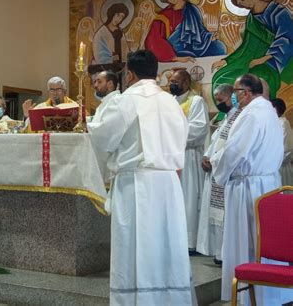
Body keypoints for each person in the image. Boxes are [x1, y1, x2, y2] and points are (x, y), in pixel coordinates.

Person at [88, 50, 195, 306]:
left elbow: (104, 138)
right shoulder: (172, 102)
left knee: (135, 246)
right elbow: (183, 136)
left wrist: (90, 124)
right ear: (157, 73)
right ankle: (169, 298)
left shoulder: (126, 100)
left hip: (136, 183)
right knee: (166, 242)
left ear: (130, 74)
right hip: (168, 183)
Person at [210, 74, 284, 304]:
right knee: (266, 242)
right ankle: (271, 294)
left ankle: (250, 296)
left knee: (248, 241)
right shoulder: (269, 111)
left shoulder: (251, 114)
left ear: (247, 92)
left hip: (248, 186)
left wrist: (217, 165)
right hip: (268, 183)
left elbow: (234, 151)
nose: (234, 95)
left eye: (236, 90)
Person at [212, 0, 293, 99]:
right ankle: (231, 111)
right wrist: (227, 60)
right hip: (256, 57)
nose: (244, 5)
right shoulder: (251, 19)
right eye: (240, 4)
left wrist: (263, 59)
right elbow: (246, 46)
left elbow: (287, 38)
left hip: (279, 58)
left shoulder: (278, 12)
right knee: (222, 77)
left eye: (243, 0)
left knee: (255, 78)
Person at [196, 84, 241, 265]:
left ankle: (224, 254)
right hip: (215, 172)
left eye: (221, 100)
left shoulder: (239, 118)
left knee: (225, 218)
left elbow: (231, 147)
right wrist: (206, 156)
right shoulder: (226, 118)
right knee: (216, 216)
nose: (219, 103)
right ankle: (219, 252)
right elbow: (216, 142)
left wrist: (212, 161)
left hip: (226, 175)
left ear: (232, 96)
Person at [170, 69, 209, 253]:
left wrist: (170, 131)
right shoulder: (169, 102)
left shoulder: (196, 101)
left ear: (186, 82)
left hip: (188, 156)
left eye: (176, 80)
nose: (172, 83)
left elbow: (199, 128)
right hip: (170, 157)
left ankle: (188, 241)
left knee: (189, 198)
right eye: (171, 80)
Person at [145, 0, 226, 63]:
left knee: (219, 47)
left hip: (196, 45)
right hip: (175, 49)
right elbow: (153, 38)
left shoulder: (192, 9)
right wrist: (174, 57)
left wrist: (210, 37)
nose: (170, 0)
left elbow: (200, 30)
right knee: (188, 55)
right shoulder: (163, 16)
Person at [91, 70, 121, 182]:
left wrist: (85, 126)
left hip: (110, 158)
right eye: (95, 82)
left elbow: (106, 128)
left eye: (99, 82)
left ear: (110, 84)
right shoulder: (106, 102)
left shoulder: (116, 101)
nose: (95, 85)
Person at [92, 2, 130, 69]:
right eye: (117, 15)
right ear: (112, 14)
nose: (118, 19)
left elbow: (125, 50)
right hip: (105, 69)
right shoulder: (101, 33)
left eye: (121, 17)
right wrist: (114, 58)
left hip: (121, 68)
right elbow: (99, 55)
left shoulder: (120, 31)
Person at [271, 98, 293, 186]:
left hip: (280, 168)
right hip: (270, 168)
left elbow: (286, 149)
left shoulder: (283, 124)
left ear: (276, 109)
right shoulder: (270, 123)